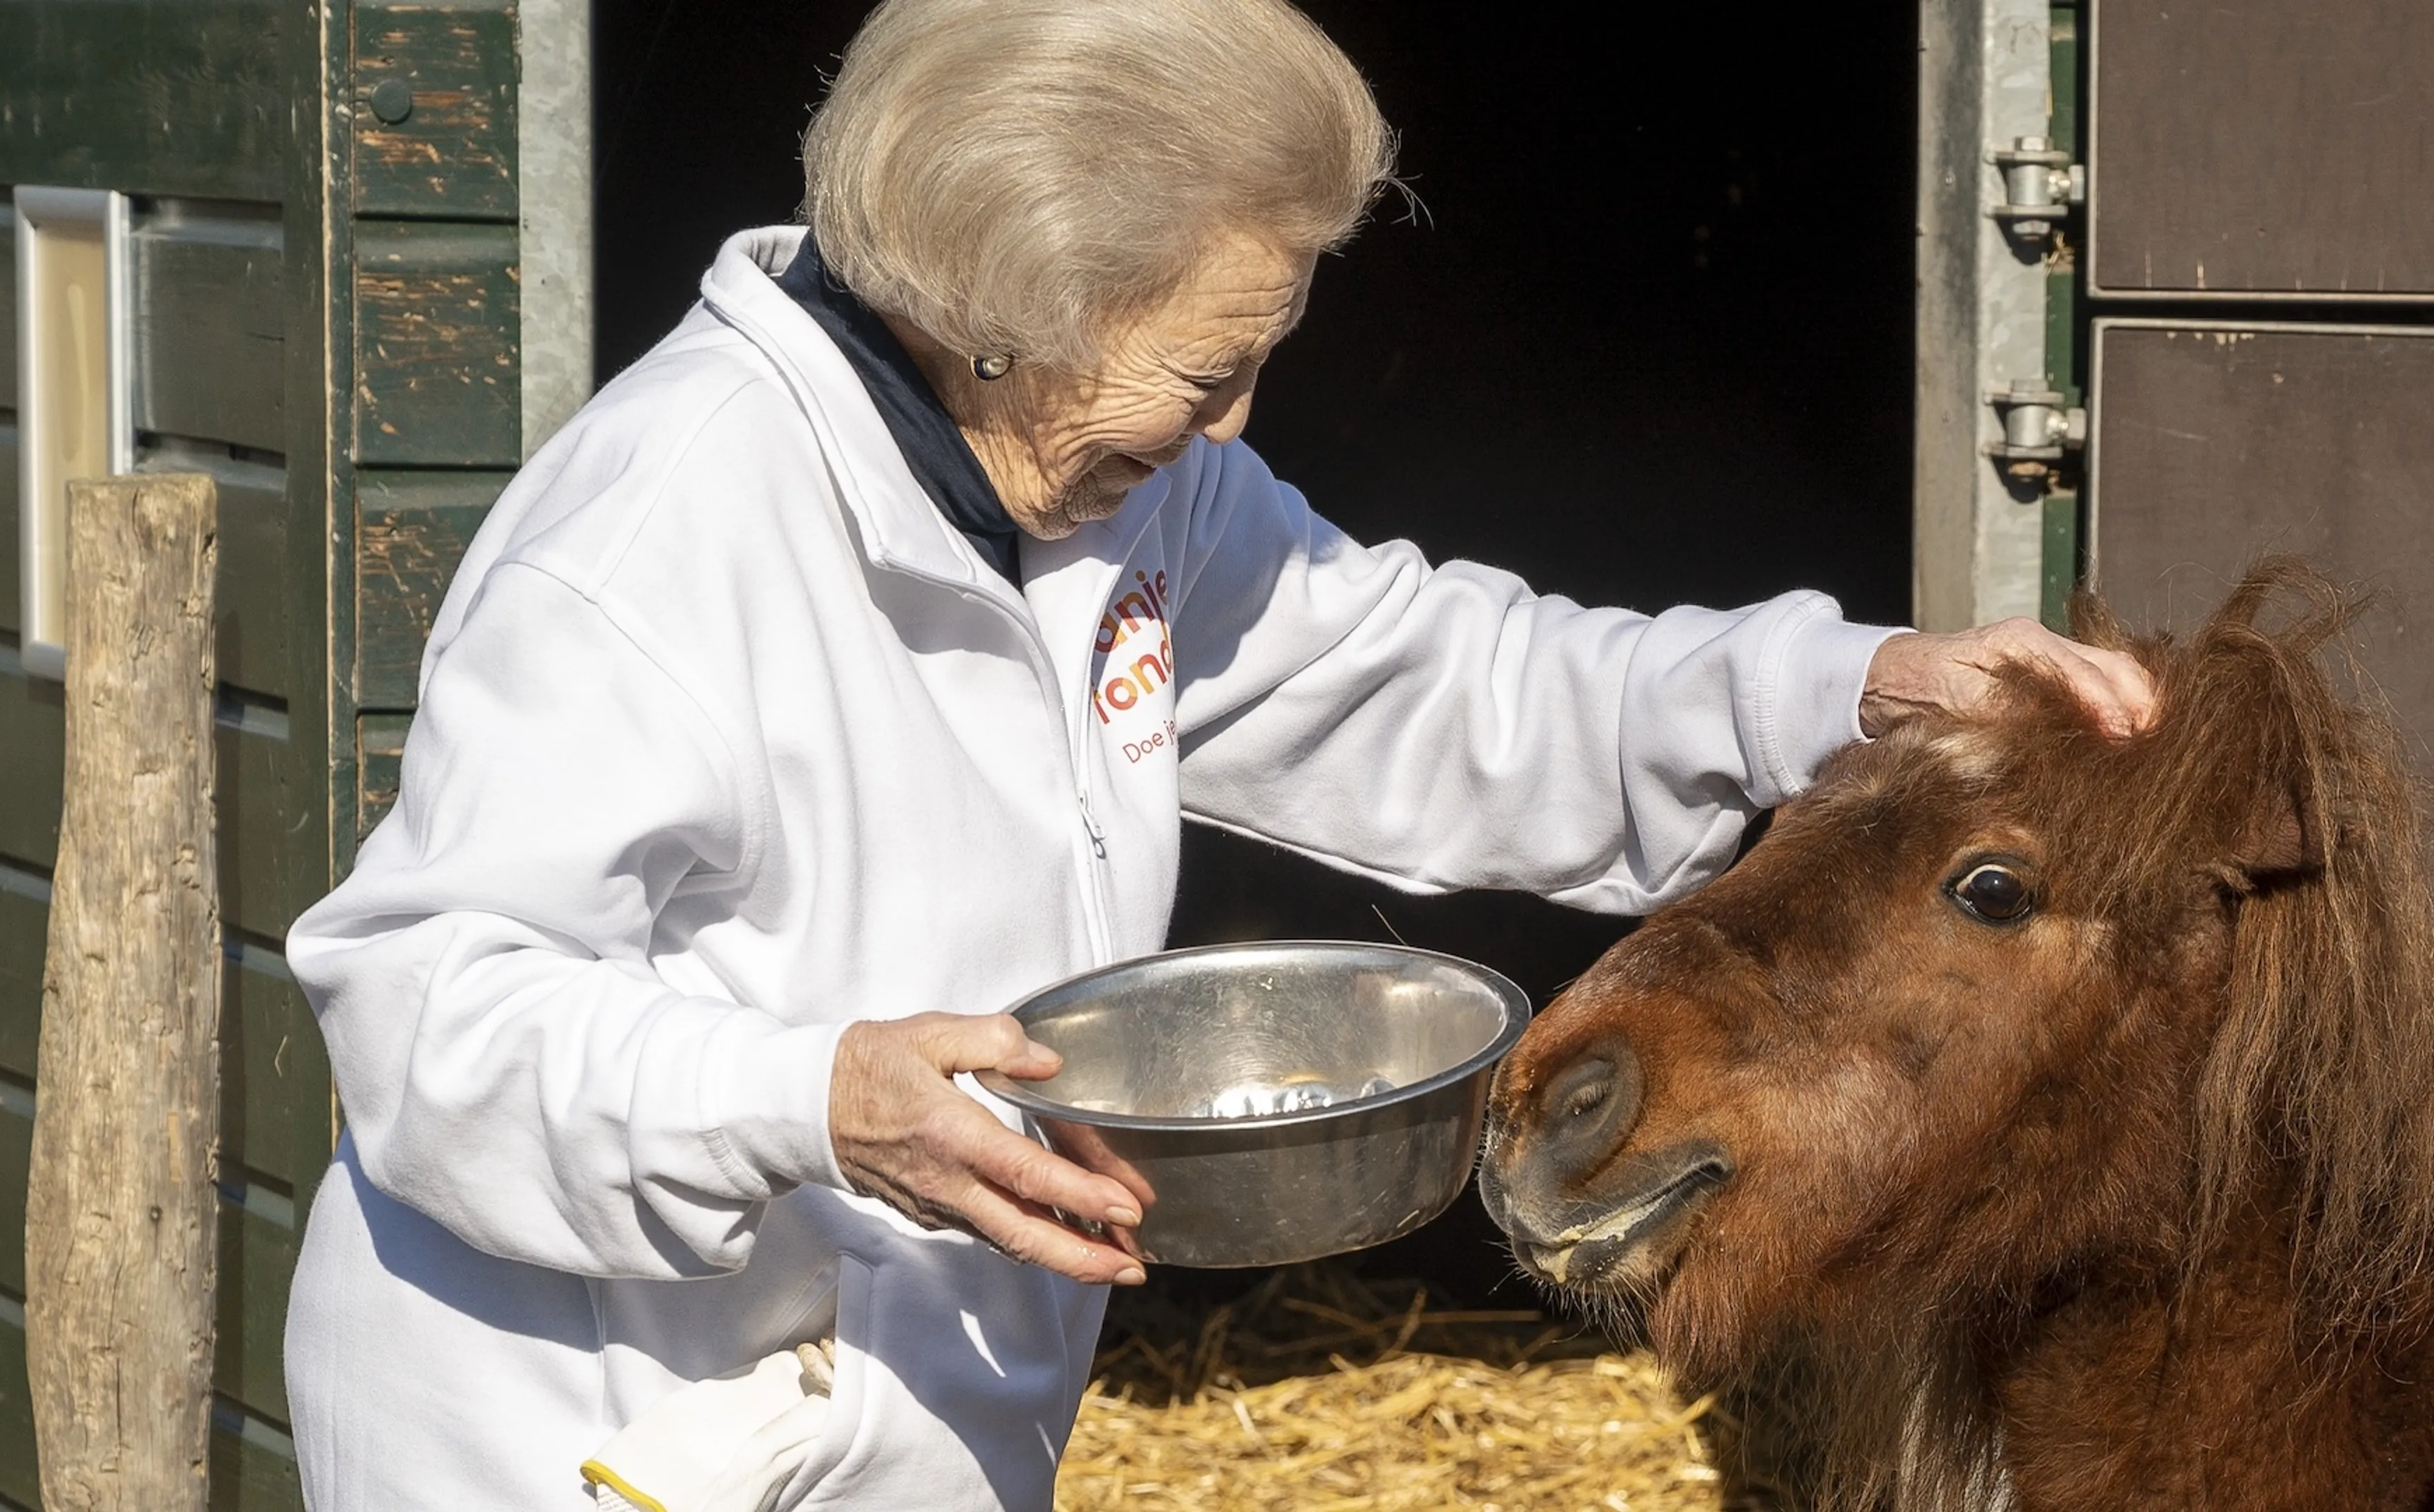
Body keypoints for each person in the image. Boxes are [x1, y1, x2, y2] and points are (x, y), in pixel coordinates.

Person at [281, 1, 2156, 1507]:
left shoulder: (1112, 498)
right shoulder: (654, 545)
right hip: (597, 1437)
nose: (1240, 421)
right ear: (1003, 317)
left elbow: (1441, 682)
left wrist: (1838, 692)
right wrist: (808, 1097)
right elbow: (426, 1016)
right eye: (1205, 370)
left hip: (894, 1421)